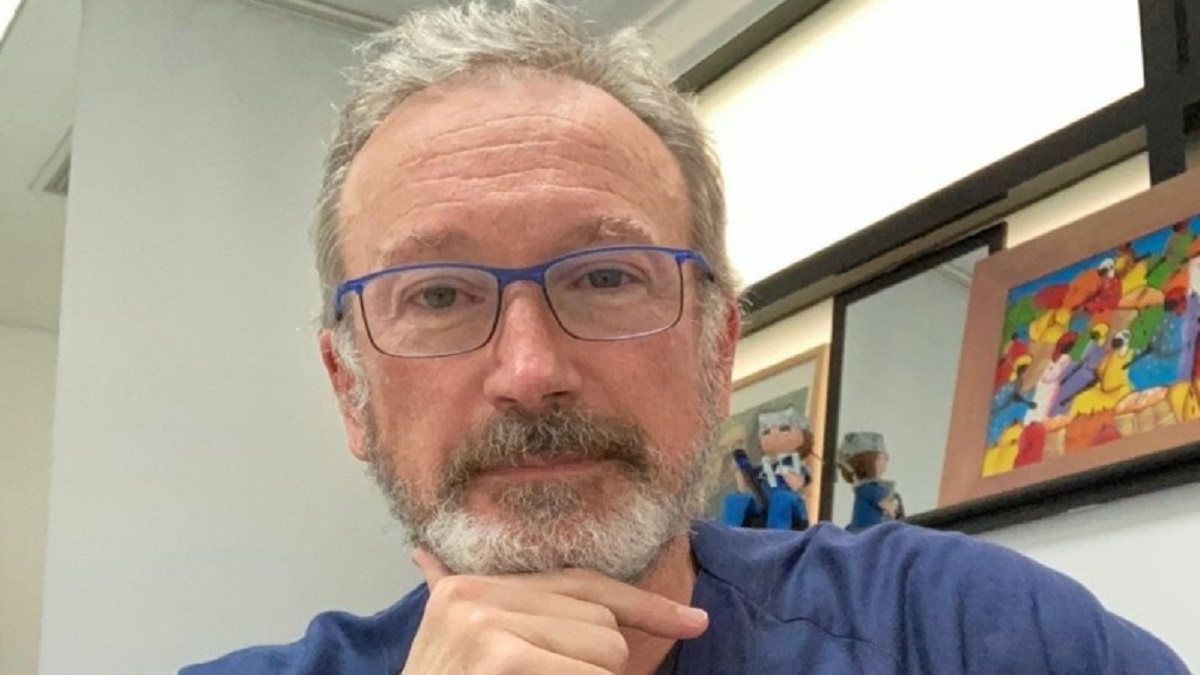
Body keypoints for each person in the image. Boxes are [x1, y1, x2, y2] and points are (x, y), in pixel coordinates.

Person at [182, 1, 1189, 673]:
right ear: (350, 388)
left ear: (717, 348)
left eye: (605, 277)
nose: (530, 371)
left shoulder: (973, 632)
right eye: (438, 295)